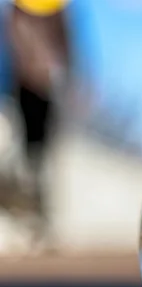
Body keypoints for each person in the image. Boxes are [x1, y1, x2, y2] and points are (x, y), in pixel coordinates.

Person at [3, 0, 72, 246]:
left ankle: (36, 219)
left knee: (38, 158)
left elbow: (65, 45)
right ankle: (24, 216)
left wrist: (60, 75)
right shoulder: (19, 11)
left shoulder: (55, 10)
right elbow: (16, 44)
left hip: (42, 89)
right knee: (23, 155)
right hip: (21, 90)